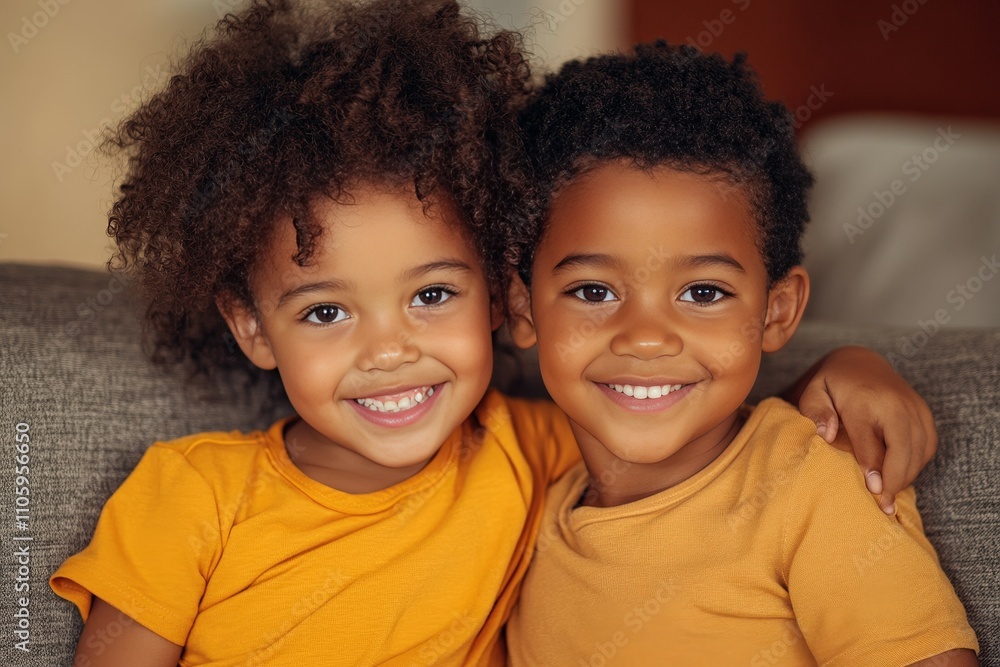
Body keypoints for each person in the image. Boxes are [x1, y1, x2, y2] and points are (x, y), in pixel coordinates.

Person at [49, 3, 941, 664]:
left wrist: (843, 368)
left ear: (497, 302)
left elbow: (703, 451)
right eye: (325, 311)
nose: (388, 350)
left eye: (431, 295)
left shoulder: (533, 455)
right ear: (251, 325)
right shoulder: (190, 492)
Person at [505, 41, 979, 665]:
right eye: (593, 290)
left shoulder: (817, 481)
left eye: (703, 292)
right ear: (522, 308)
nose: (646, 337)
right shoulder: (529, 508)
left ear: (776, 312)